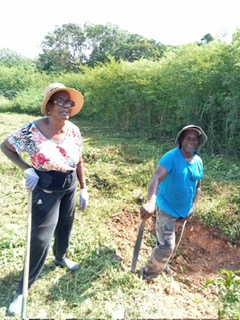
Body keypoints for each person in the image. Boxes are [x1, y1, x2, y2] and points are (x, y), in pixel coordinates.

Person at [0, 83, 89, 317]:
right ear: (49, 106)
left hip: (68, 186)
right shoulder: (31, 130)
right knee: (40, 239)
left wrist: (83, 188)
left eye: (68, 102)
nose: (65, 106)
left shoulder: (74, 130)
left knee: (65, 227)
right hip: (45, 189)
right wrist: (27, 169)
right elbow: (6, 147)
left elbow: (79, 160)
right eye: (59, 101)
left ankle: (61, 257)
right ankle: (22, 291)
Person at [140, 125, 207, 281]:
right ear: (181, 140)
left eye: (194, 139)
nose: (191, 141)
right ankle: (147, 274)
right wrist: (151, 202)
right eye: (188, 138)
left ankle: (162, 265)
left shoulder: (198, 161)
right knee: (166, 247)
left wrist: (192, 208)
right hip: (166, 209)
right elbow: (156, 178)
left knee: (173, 245)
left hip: (183, 213)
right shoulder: (171, 157)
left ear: (198, 142)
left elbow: (198, 187)